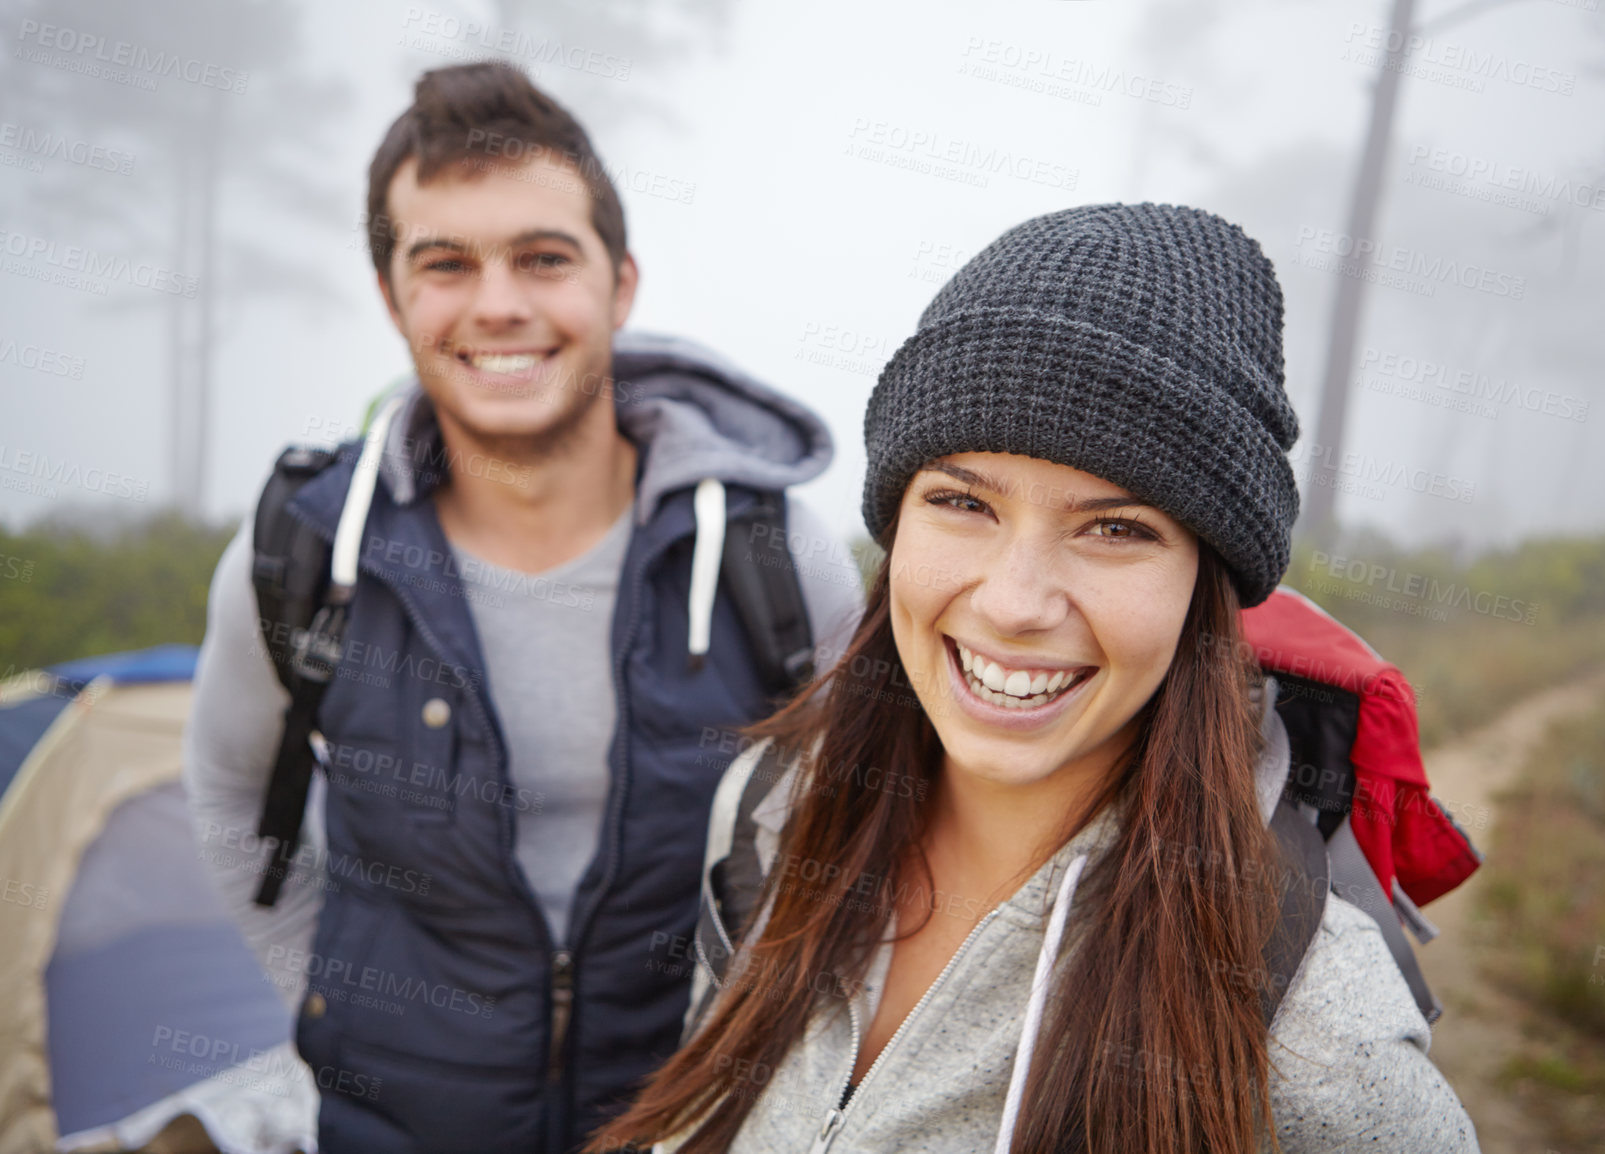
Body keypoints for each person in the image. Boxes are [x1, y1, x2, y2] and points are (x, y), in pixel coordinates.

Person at [589, 204, 1481, 1153]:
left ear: (1204, 589)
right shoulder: (771, 815)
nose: (1015, 603)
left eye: (1115, 528)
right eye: (962, 502)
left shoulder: (1305, 1020)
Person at [182, 62, 859, 1153]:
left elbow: (864, 830)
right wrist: (338, 1000)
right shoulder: (303, 552)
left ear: (620, 281)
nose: (498, 303)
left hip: (696, 1126)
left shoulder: (773, 554)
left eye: (543, 257)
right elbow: (227, 793)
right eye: (445, 262)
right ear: (392, 293)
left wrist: (760, 1043)